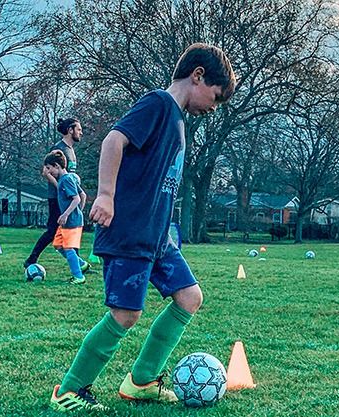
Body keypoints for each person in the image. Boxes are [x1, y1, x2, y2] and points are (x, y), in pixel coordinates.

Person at [50, 43, 236, 412]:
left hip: (158, 237)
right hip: (130, 232)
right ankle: (69, 390)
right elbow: (113, 140)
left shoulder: (178, 120)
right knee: (126, 314)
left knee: (189, 297)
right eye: (215, 96)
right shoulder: (157, 104)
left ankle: (141, 381)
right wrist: (105, 195)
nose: (214, 107)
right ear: (197, 75)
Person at [25, 117, 84, 278]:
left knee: (69, 231)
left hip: (69, 196)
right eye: (78, 129)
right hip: (58, 197)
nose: (81, 132)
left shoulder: (71, 151)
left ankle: (79, 265)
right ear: (70, 130)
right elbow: (46, 172)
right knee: (53, 231)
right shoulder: (58, 149)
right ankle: (32, 259)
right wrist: (61, 189)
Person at [45, 150, 88, 284]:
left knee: (69, 248)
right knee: (58, 245)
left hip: (72, 221)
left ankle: (79, 277)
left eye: (49, 168)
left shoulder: (67, 180)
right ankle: (81, 264)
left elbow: (76, 199)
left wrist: (68, 214)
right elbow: (83, 195)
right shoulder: (68, 179)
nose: (48, 172)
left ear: (57, 166)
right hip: (67, 221)